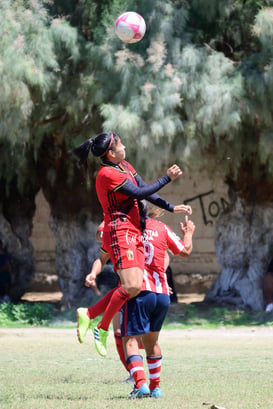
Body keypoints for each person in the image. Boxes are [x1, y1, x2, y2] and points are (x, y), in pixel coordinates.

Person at [73, 131, 192, 356]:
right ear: (110, 152)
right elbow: (139, 193)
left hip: (134, 232)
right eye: (120, 144)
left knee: (133, 287)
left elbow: (146, 191)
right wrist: (166, 178)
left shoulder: (124, 166)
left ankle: (89, 315)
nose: (124, 146)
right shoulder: (107, 174)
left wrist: (171, 207)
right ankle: (101, 327)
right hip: (120, 232)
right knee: (132, 287)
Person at [121, 210, 195, 399]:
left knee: (130, 340)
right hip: (161, 293)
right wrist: (188, 233)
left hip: (139, 291)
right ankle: (156, 388)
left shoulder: (127, 227)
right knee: (151, 342)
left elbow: (102, 237)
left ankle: (140, 385)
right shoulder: (162, 228)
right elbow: (184, 251)